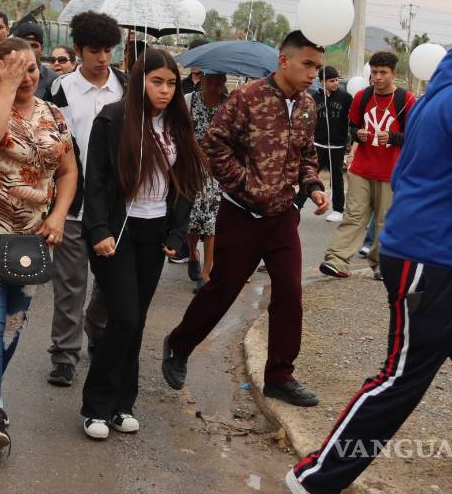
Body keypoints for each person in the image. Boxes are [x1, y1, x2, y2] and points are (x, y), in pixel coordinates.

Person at [287, 7, 452, 494]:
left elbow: (409, 176)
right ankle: (312, 480)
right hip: (430, 262)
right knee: (400, 380)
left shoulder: (435, 97)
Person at [161, 31, 329, 408]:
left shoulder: (307, 107)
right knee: (222, 289)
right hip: (241, 214)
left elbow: (306, 154)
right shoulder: (248, 98)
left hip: (283, 217)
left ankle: (280, 376)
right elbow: (213, 143)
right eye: (307, 65)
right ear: (283, 61)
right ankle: (179, 344)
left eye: (317, 68)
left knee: (289, 293)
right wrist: (244, 183)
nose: (313, 75)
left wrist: (314, 184)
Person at [0, 37, 77, 454]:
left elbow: (68, 168)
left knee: (12, 324)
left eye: (32, 68)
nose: (27, 75)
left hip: (31, 237)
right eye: (17, 68)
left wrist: (58, 215)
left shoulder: (53, 114)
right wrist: (5, 87)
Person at [79, 48, 204, 440]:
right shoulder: (113, 119)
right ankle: (96, 407)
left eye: (171, 83)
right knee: (124, 318)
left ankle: (122, 405)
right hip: (117, 232)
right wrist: (97, 229)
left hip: (154, 235)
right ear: (139, 81)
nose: (165, 91)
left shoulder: (177, 125)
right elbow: (96, 179)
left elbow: (186, 182)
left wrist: (176, 232)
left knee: (136, 322)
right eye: (156, 82)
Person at [45, 11, 125, 387]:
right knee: (71, 282)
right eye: (95, 50)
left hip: (113, 206)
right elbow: (52, 144)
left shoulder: (126, 87)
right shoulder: (61, 89)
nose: (103, 58)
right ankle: (64, 354)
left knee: (111, 283)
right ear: (78, 50)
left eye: (109, 50)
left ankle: (96, 328)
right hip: (72, 201)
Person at [319, 52, 415, 280]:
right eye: (374, 72)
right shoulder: (362, 97)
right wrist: (357, 134)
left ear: (394, 74)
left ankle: (382, 264)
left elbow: (416, 136)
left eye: (383, 73)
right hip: (361, 169)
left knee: (385, 221)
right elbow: (351, 127)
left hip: (390, 172)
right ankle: (337, 260)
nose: (378, 77)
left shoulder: (407, 100)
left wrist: (393, 138)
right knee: (353, 216)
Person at [183, 72, 228, 286]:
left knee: (212, 221)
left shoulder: (229, 105)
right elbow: (178, 131)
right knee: (190, 219)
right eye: (211, 80)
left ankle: (207, 272)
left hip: (217, 170)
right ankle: (193, 254)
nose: (215, 85)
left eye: (220, 81)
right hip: (191, 167)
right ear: (202, 80)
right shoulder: (189, 101)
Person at [300, 66, 352, 223]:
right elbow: (305, 119)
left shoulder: (346, 98)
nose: (335, 83)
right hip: (318, 145)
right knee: (309, 176)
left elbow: (352, 120)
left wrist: (349, 140)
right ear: (322, 82)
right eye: (331, 81)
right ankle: (296, 205)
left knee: (336, 178)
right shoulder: (314, 98)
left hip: (337, 146)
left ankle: (338, 209)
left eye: (336, 80)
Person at [10, 21, 55, 99]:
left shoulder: (53, 80)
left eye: (34, 46)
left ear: (42, 49)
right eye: (25, 45)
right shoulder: (6, 75)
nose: (30, 50)